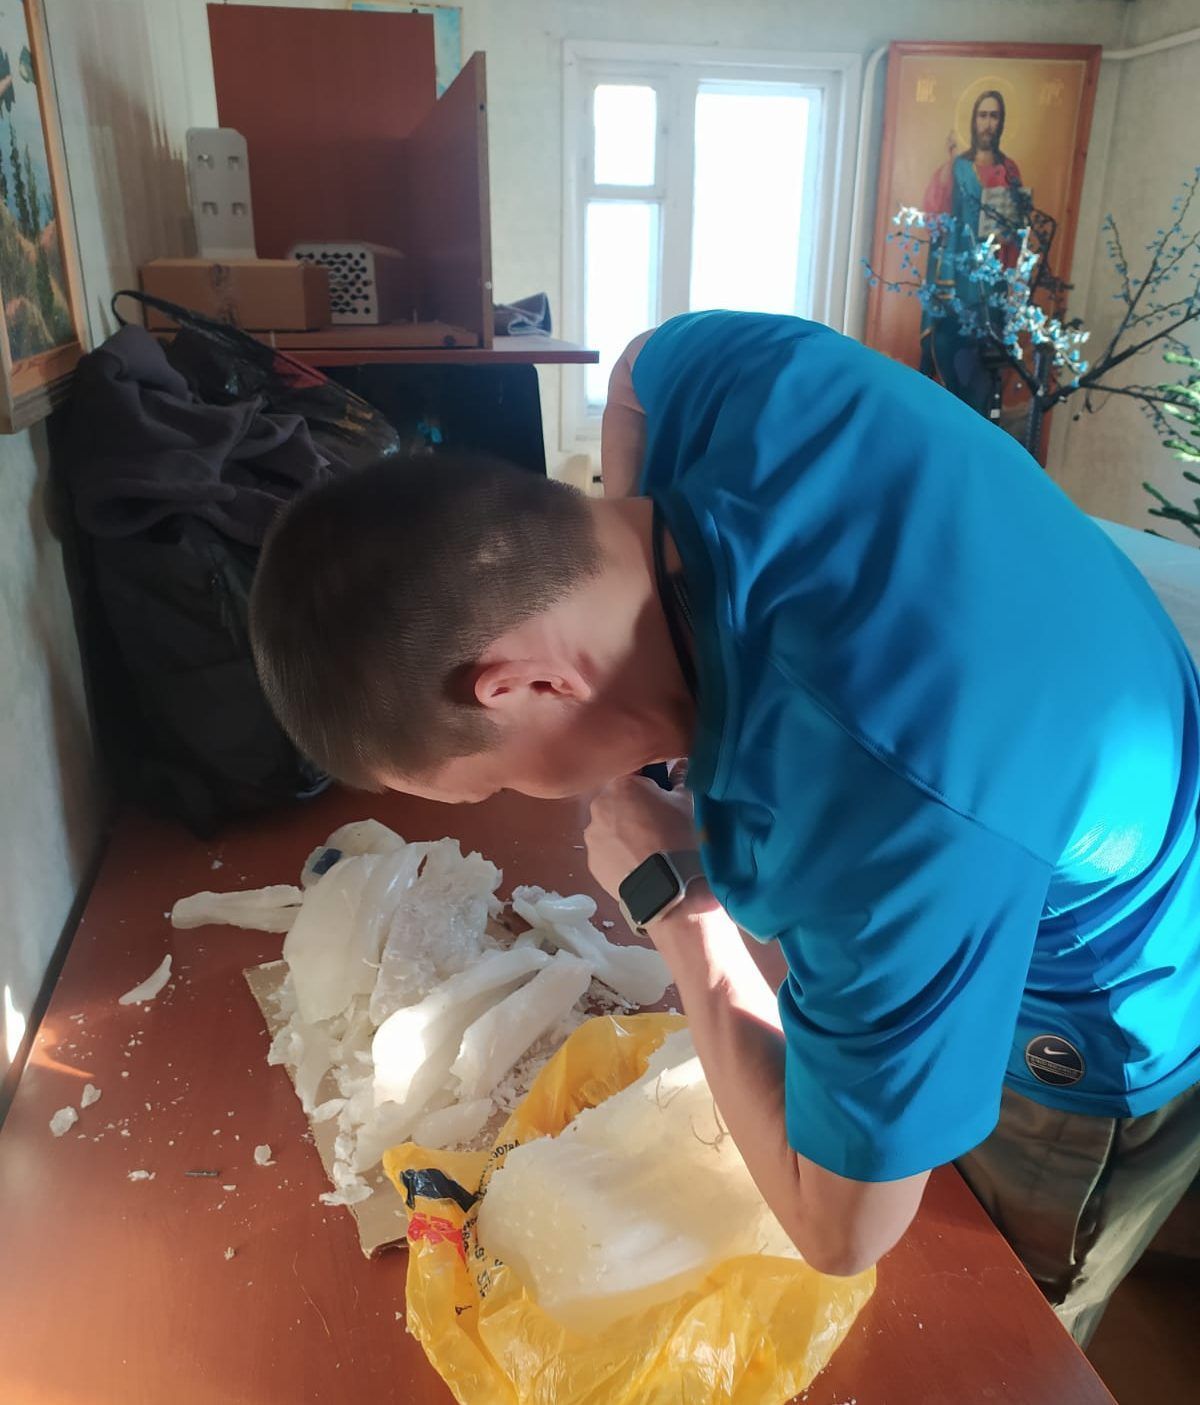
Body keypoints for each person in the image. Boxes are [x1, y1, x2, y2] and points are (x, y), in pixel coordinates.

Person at [249, 309, 1200, 1347]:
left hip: (1104, 999)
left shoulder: (870, 812)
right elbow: (638, 371)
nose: (521, 796)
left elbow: (842, 1230)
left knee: (986, 1313)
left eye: (490, 783)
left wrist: (676, 908)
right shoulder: (742, 384)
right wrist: (641, 709)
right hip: (1076, 739)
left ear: (526, 683)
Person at [920, 89, 1028, 414]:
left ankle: (978, 416)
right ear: (973, 120)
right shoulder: (957, 167)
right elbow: (934, 215)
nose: (988, 124)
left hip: (991, 281)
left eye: (994, 116)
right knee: (949, 346)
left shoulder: (1009, 170)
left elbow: (1019, 227)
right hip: (956, 275)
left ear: (1002, 122)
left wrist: (1012, 229)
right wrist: (949, 166)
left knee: (984, 363)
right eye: (983, 115)